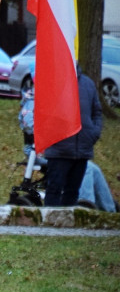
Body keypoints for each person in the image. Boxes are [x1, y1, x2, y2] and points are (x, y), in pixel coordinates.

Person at [43, 65, 102, 207]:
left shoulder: (88, 84)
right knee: (54, 189)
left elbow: (97, 112)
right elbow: (43, 111)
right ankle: (49, 226)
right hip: (59, 150)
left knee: (73, 192)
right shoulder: (53, 82)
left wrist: (93, 133)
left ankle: (68, 226)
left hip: (82, 150)